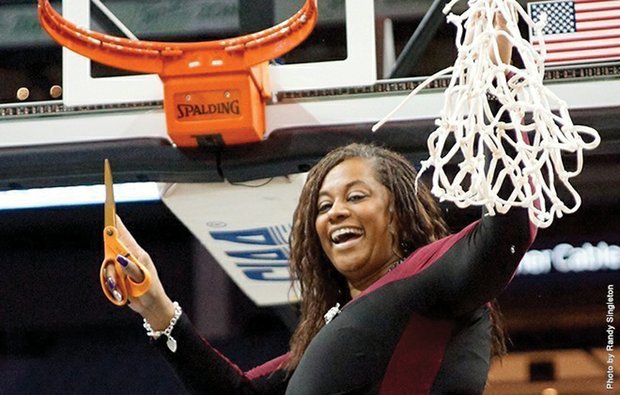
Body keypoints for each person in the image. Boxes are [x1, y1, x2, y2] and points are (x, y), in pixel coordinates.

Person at [103, 11, 534, 395]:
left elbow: (508, 231)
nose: (335, 213)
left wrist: (495, 86)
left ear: (399, 218)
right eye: (323, 206)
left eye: (356, 196)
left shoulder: (430, 278)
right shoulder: (328, 333)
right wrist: (156, 306)